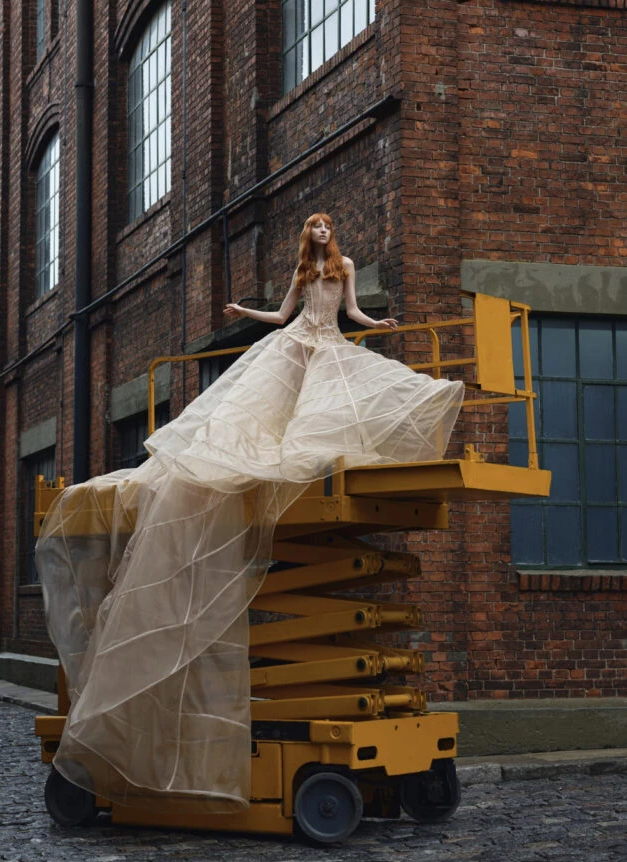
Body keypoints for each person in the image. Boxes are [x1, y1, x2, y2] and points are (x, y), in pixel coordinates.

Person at [36, 212, 463, 815]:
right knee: (263, 416)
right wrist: (244, 313)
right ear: (308, 235)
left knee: (327, 414)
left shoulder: (343, 267)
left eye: (327, 226)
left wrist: (377, 324)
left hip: (329, 347)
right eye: (315, 227)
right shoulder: (302, 271)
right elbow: (284, 316)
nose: (322, 232)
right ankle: (267, 455)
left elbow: (352, 313)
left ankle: (296, 453)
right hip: (295, 344)